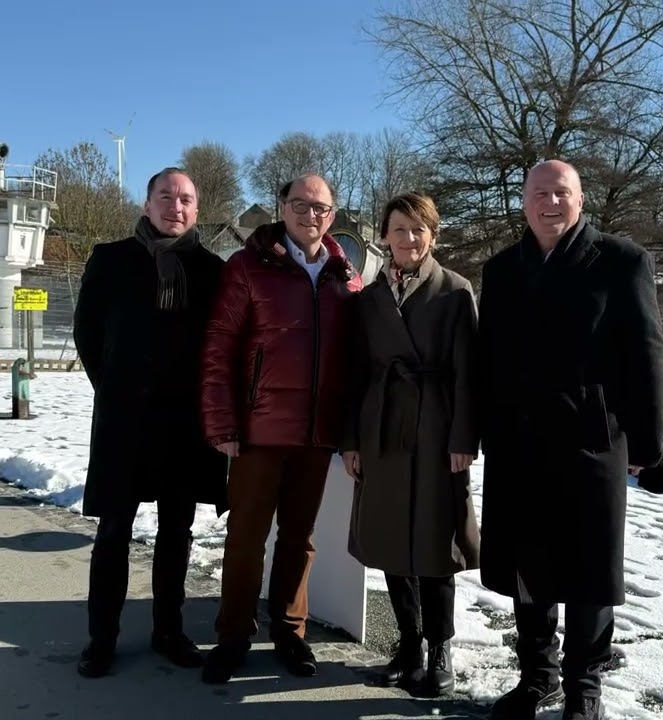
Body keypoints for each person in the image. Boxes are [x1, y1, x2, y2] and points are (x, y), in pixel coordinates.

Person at [476, 160, 663, 720]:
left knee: (589, 567)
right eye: (540, 193)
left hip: (592, 437)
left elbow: (646, 357)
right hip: (518, 441)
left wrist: (647, 444)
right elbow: (487, 359)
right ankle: (538, 676)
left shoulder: (621, 261)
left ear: (580, 200)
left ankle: (585, 682)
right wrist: (484, 430)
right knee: (525, 563)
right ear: (524, 202)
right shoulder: (503, 268)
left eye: (562, 192)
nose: (550, 203)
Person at [198, 173, 364, 684]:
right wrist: (223, 421)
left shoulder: (344, 277)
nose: (309, 214)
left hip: (316, 434)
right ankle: (232, 636)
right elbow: (219, 348)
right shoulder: (248, 266)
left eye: (320, 207)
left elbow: (358, 359)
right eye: (300, 204)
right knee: (245, 537)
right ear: (282, 208)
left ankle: (290, 631)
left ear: (331, 215)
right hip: (257, 432)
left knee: (299, 537)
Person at [72, 167, 229, 679]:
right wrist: (117, 388)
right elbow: (88, 333)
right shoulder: (112, 259)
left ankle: (169, 629)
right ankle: (102, 638)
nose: (175, 207)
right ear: (147, 204)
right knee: (115, 531)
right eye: (166, 196)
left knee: (177, 531)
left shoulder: (211, 269)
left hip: (184, 425)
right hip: (125, 422)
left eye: (185, 199)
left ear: (196, 209)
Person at [341, 192, 480, 697]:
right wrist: (351, 440)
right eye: (399, 229)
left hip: (437, 428)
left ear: (433, 236)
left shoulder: (455, 291)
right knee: (391, 541)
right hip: (382, 428)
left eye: (419, 229)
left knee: (435, 544)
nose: (409, 238)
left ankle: (440, 647)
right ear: (384, 236)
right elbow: (356, 372)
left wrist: (464, 437)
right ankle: (408, 643)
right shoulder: (370, 298)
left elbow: (469, 372)